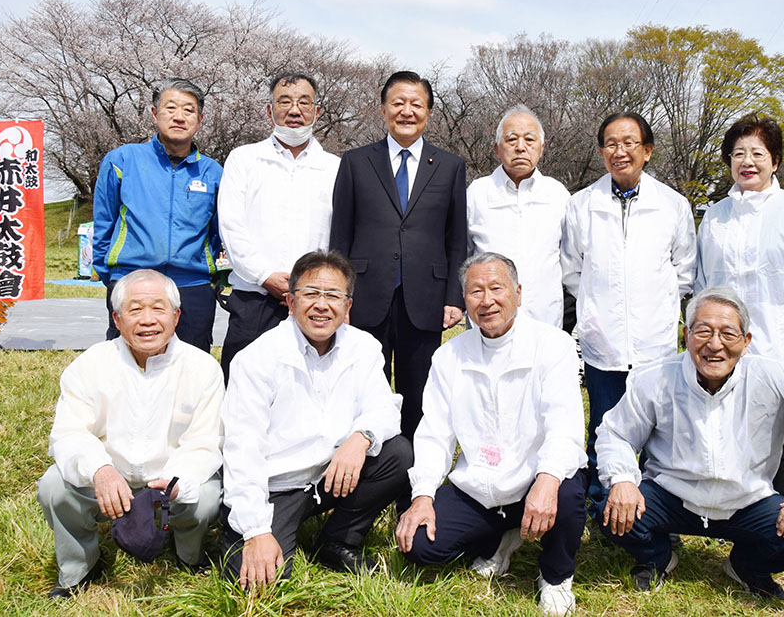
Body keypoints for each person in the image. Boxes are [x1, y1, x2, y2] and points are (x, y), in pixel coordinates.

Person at [596, 286, 784, 601]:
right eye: (703, 331)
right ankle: (657, 557)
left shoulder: (774, 379)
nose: (714, 344)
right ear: (686, 335)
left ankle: (746, 566)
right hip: (672, 496)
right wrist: (622, 480)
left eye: (728, 334)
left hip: (747, 502)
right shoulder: (655, 378)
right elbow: (615, 432)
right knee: (611, 509)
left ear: (746, 341)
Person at [396, 252, 587, 617]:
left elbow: (564, 427)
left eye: (496, 288)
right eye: (475, 292)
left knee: (567, 495)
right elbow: (434, 433)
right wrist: (422, 496)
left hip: (535, 479)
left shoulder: (553, 345)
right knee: (420, 546)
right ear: (464, 300)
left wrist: (546, 482)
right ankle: (502, 536)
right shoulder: (450, 356)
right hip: (481, 485)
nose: (487, 300)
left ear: (518, 292)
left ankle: (556, 575)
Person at [221, 250, 411, 588]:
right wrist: (256, 531)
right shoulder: (257, 360)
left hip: (331, 475)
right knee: (256, 582)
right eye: (310, 294)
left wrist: (360, 438)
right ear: (291, 302)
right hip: (275, 488)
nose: (321, 305)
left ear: (348, 305)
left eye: (333, 295)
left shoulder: (363, 347)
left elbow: (384, 407)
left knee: (397, 454)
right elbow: (242, 450)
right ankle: (266, 530)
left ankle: (336, 541)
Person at [37, 269, 224, 598]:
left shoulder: (202, 368)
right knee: (54, 486)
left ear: (177, 316)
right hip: (111, 482)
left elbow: (205, 442)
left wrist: (177, 479)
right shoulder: (91, 363)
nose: (148, 320)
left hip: (168, 482)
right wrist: (100, 469)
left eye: (159, 308)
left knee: (206, 496)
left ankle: (187, 555)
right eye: (135, 309)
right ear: (117, 318)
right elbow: (69, 433)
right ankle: (80, 567)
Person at [696, 115, 784, 496]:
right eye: (738, 153)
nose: (747, 162)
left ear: (774, 161)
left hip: (780, 338)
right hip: (723, 344)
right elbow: (702, 282)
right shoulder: (715, 217)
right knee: (726, 428)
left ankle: (770, 521)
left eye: (757, 153)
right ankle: (733, 512)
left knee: (777, 428)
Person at [562, 111, 696, 518]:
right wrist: (596, 314)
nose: (619, 152)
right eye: (611, 145)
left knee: (659, 433)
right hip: (603, 343)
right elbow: (572, 270)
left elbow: (684, 271)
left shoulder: (673, 205)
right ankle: (602, 507)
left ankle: (656, 512)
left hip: (655, 345)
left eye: (629, 143)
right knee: (604, 427)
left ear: (647, 151)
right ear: (602, 151)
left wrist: (655, 311)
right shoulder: (582, 204)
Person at [329, 71, 467, 441]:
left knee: (418, 392)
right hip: (365, 295)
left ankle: (412, 482)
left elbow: (457, 239)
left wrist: (454, 297)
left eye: (416, 104)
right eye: (398, 103)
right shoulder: (356, 162)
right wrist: (339, 296)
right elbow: (340, 235)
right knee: (363, 387)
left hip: (425, 297)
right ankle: (368, 474)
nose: (407, 111)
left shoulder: (451, 166)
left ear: (429, 112)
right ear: (384, 109)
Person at [218, 72, 340, 380]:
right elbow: (231, 226)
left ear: (318, 110)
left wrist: (312, 285)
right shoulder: (244, 159)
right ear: (269, 110)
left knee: (310, 387)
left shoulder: (335, 167)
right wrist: (265, 276)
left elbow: (338, 234)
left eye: (304, 102)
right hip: (255, 296)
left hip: (314, 300)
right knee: (242, 383)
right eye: (285, 101)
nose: (295, 110)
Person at [93, 78, 223, 352]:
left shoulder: (213, 172)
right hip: (132, 280)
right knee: (128, 362)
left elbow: (217, 231)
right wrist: (114, 276)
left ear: (199, 119)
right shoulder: (123, 160)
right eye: (170, 108)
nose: (179, 117)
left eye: (188, 110)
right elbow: (104, 222)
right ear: (154, 114)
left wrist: (206, 272)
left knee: (192, 363)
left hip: (193, 285)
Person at [466, 105, 570, 327]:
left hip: (544, 319)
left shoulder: (557, 194)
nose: (521, 147)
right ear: (497, 148)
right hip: (487, 321)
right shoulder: (477, 193)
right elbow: (461, 254)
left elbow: (571, 259)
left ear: (542, 148)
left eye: (529, 140)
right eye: (511, 140)